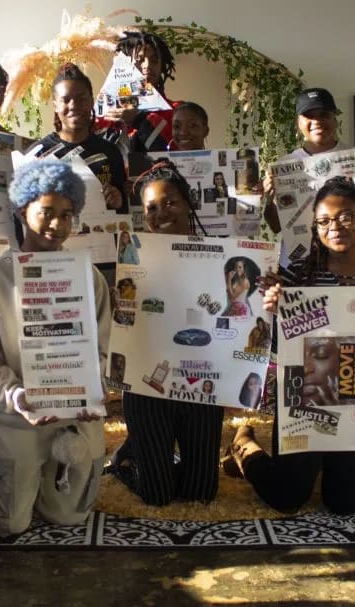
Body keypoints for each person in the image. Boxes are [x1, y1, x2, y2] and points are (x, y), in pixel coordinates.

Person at [226, 176, 355, 514]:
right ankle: (244, 445)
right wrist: (274, 307)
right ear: (315, 228)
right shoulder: (297, 279)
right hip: (304, 395)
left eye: (345, 216)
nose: (335, 227)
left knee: (345, 503)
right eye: (324, 221)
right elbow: (278, 345)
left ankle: (326, 461)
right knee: (287, 498)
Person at [0, 159, 110, 537]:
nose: (56, 224)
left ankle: (43, 480)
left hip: (75, 414)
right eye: (46, 212)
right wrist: (15, 395)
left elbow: (103, 347)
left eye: (66, 215)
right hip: (17, 413)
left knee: (69, 517)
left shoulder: (90, 277)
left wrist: (96, 386)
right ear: (21, 211)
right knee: (7, 524)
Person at [108, 160, 223, 507]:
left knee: (200, 492)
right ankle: (128, 456)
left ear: (188, 203)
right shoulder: (132, 259)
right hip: (148, 387)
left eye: (170, 202)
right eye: (152, 208)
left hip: (200, 385)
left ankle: (149, 448)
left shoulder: (223, 257)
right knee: (157, 495)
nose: (162, 213)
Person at [32, 63, 127, 214]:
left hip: (100, 228)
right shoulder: (39, 154)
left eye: (81, 99)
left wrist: (118, 201)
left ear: (91, 101)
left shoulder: (110, 152)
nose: (73, 105)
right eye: (65, 100)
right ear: (55, 105)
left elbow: (124, 210)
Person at [263, 87, 347, 234]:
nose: (317, 121)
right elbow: (276, 227)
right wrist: (269, 198)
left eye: (324, 115)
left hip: (342, 247)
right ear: (298, 124)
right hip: (299, 248)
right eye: (309, 116)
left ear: (335, 120)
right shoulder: (284, 165)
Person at [100, 31, 179, 152]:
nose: (147, 65)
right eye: (140, 60)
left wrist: (138, 119)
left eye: (154, 60)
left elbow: (178, 155)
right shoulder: (104, 111)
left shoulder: (176, 112)